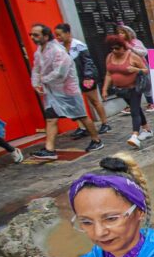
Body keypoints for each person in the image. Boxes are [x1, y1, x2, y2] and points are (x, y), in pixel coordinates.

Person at [29, 23, 103, 159]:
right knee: (51, 118)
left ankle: (96, 140)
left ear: (45, 36)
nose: (33, 37)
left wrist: (43, 79)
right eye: (31, 35)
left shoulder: (58, 51)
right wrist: (36, 83)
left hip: (67, 90)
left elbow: (60, 73)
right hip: (52, 92)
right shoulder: (39, 52)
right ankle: (49, 149)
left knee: (81, 116)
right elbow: (36, 69)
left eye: (36, 35)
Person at [53, 23, 110, 137]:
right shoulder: (59, 47)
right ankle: (81, 127)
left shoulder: (78, 45)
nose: (58, 37)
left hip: (85, 77)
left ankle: (105, 123)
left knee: (94, 100)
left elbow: (88, 62)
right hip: (71, 80)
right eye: (56, 35)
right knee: (75, 104)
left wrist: (88, 77)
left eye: (60, 35)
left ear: (68, 33)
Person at [101, 34, 152, 149]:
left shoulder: (132, 56)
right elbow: (108, 74)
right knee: (137, 109)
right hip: (121, 90)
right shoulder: (109, 57)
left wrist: (135, 69)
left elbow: (146, 70)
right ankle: (147, 129)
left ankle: (135, 135)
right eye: (112, 49)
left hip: (134, 88)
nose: (115, 51)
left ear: (123, 47)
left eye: (117, 48)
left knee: (134, 111)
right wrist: (104, 89)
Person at [116, 25, 154, 112]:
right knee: (131, 86)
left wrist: (131, 48)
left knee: (146, 84)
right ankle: (131, 105)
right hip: (128, 67)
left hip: (140, 66)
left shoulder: (136, 42)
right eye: (119, 33)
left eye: (122, 33)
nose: (120, 35)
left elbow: (144, 52)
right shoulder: (120, 44)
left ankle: (150, 103)